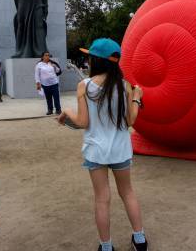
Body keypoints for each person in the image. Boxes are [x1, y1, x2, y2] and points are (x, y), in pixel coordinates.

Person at [57, 38, 148, 251]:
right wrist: (136, 98)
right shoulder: (124, 86)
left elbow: (82, 122)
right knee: (127, 192)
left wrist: (66, 112)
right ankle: (140, 240)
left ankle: (106, 247)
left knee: (101, 199)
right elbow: (130, 121)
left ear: (96, 60)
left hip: (96, 152)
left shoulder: (84, 86)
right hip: (121, 150)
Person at [35, 51, 62, 115]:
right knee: (48, 98)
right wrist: (38, 83)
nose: (47, 57)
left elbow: (58, 71)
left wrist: (55, 66)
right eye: (46, 55)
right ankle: (50, 110)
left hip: (54, 83)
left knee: (56, 97)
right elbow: (37, 75)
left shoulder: (52, 63)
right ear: (42, 57)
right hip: (45, 84)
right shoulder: (39, 65)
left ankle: (58, 110)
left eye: (48, 55)